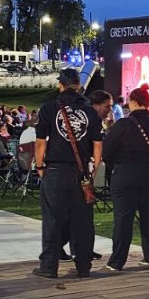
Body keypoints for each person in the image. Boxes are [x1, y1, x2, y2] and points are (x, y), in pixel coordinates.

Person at [32, 69, 103, 278]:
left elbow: (40, 143)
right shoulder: (90, 112)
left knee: (53, 219)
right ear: (79, 85)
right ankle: (83, 265)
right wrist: (93, 171)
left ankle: (49, 265)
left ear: (60, 84)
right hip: (81, 173)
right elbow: (98, 145)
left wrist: (39, 167)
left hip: (55, 170)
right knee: (82, 220)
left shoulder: (49, 108)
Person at [101, 86, 149, 271]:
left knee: (124, 218)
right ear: (148, 102)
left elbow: (106, 151)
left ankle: (117, 261)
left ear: (132, 101)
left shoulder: (123, 125)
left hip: (125, 174)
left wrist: (116, 163)